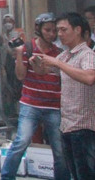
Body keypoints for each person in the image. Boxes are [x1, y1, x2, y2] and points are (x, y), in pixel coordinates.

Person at [0, 13, 69, 180]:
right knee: (21, 142)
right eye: (48, 30)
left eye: (54, 31)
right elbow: (20, 76)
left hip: (54, 106)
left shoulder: (59, 52)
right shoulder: (28, 48)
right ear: (39, 29)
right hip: (31, 103)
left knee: (59, 150)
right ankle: (7, 177)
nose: (52, 34)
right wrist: (19, 54)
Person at [38, 12, 95, 179]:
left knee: (86, 173)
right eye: (58, 30)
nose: (59, 34)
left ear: (77, 30)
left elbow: (89, 77)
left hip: (84, 126)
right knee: (75, 173)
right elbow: (45, 70)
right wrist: (38, 64)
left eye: (63, 30)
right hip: (67, 124)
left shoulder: (87, 55)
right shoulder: (64, 56)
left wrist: (57, 62)